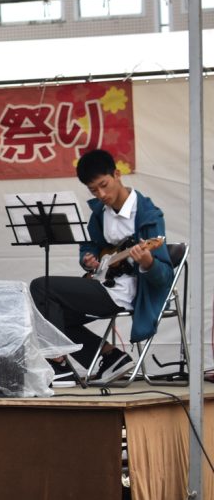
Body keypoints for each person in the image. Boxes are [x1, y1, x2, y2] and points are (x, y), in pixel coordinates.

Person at [29, 148, 173, 385]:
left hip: (130, 293)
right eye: (93, 190)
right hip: (104, 283)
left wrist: (147, 261)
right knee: (49, 312)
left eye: (104, 185)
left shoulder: (148, 215)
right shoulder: (99, 213)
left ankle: (57, 362)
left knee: (41, 286)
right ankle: (112, 357)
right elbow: (90, 245)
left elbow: (164, 277)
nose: (101, 194)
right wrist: (88, 258)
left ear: (117, 174)